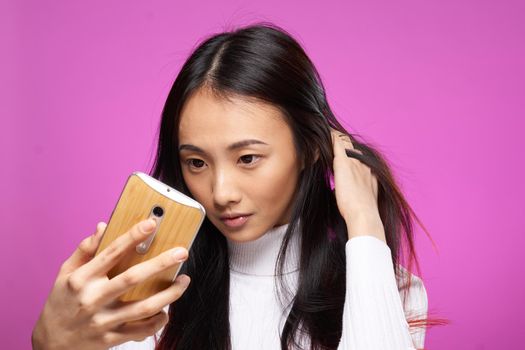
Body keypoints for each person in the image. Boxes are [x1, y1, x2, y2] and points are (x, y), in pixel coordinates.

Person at [32, 23, 430, 349]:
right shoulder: (149, 293)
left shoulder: (382, 282)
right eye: (197, 163)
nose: (221, 192)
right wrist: (52, 344)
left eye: (247, 158)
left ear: (309, 148)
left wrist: (364, 224)